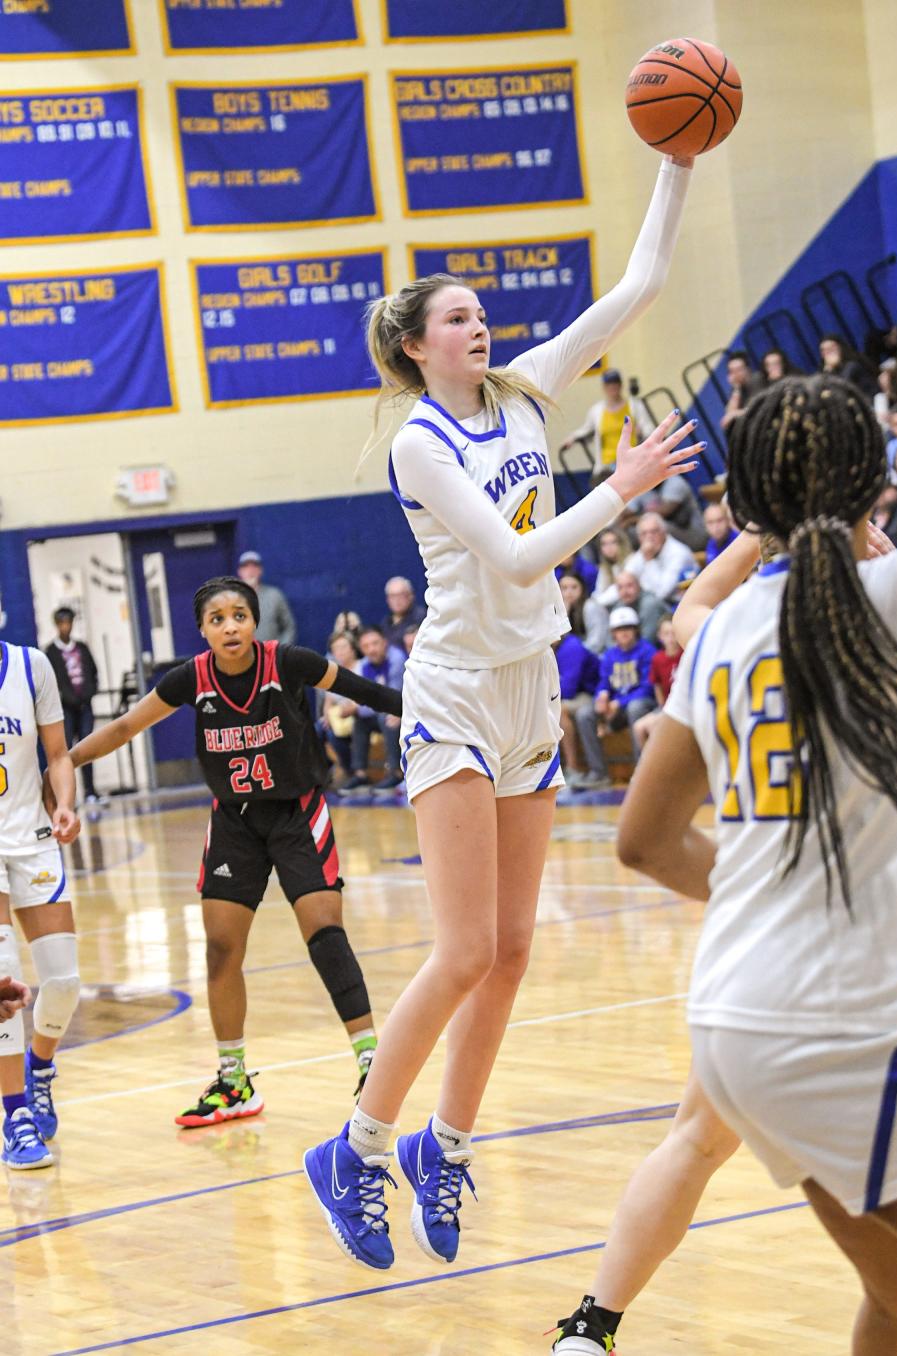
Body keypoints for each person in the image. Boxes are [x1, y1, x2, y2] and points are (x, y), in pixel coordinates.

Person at [302, 152, 700, 1273]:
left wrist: (675, 161)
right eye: (461, 318)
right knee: (465, 946)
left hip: (533, 692)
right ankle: (357, 1146)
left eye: (483, 316)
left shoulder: (527, 390)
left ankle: (447, 1144)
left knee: (515, 951)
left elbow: (643, 282)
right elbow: (521, 555)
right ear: (419, 344)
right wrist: (618, 491)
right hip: (458, 693)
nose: (481, 327)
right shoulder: (420, 444)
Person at [551, 373, 897, 1355]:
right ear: (871, 484)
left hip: (735, 1021)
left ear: (746, 506)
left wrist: (772, 884)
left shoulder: (717, 632)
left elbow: (643, 840)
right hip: (843, 1025)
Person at [62, 577, 401, 1123]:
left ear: (254, 620)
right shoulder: (190, 679)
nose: (230, 626)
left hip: (296, 813)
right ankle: (234, 1081)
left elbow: (361, 691)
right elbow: (125, 726)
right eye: (217, 618)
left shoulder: (289, 662)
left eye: (239, 615)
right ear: (203, 630)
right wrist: (61, 762)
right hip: (236, 823)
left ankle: (371, 1060)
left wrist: (423, 713)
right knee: (220, 948)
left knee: (323, 930)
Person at [0, 641, 81, 1169]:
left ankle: (40, 1067)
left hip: (32, 838)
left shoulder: (31, 666)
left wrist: (67, 804)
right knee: (2, 981)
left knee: (63, 983)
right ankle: (15, 1116)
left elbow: (57, 754)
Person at [574, 606, 656, 786]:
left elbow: (648, 687)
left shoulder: (647, 651)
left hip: (640, 704)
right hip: (615, 706)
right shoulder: (610, 655)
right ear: (613, 633)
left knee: (636, 708)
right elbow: (604, 681)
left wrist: (619, 703)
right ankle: (599, 772)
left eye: (628, 628)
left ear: (636, 630)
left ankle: (641, 771)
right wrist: (602, 696)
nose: (624, 633)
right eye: (619, 629)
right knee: (584, 714)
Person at [340, 626, 406, 794]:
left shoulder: (397, 659)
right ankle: (360, 774)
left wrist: (358, 708)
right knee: (360, 722)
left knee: (388, 717)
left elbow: (394, 700)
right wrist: (356, 708)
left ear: (385, 643)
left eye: (375, 643)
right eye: (366, 646)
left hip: (404, 712)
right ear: (361, 649)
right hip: (379, 712)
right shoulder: (363, 666)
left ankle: (396, 772)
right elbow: (363, 699)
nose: (372, 649)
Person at [558, 368, 655, 482]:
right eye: (609, 383)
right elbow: (586, 429)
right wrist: (572, 438)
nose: (612, 386)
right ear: (604, 387)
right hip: (607, 468)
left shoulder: (634, 405)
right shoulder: (596, 411)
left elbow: (649, 429)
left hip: (634, 461)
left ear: (621, 385)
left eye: (615, 383)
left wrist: (642, 433)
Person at [45, 607, 100, 804]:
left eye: (69, 622)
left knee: (87, 748)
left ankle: (91, 792)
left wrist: (89, 693)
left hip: (85, 707)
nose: (66, 627)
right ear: (57, 625)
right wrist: (65, 698)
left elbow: (93, 672)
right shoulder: (50, 652)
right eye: (62, 623)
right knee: (64, 752)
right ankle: (67, 796)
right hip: (65, 709)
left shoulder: (82, 648)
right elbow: (51, 682)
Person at [624, 512, 697, 636]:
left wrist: (649, 560)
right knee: (622, 603)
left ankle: (646, 649)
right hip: (652, 601)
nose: (649, 537)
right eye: (644, 534)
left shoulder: (679, 553)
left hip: (676, 605)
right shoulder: (645, 552)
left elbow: (662, 593)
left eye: (654, 532)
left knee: (649, 604)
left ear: (664, 532)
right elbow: (625, 577)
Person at [553, 631, 600, 790]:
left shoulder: (571, 647)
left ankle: (573, 769)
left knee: (559, 710)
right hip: (572, 695)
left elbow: (569, 689)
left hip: (590, 695)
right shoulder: (551, 648)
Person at [629, 615, 683, 754]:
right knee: (639, 727)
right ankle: (645, 765)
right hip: (665, 705)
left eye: (674, 633)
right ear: (660, 636)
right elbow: (657, 685)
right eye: (666, 634)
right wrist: (662, 706)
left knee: (654, 727)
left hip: (682, 705)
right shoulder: (658, 658)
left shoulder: (686, 654)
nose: (670, 638)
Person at [626, 471, 707, 552]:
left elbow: (664, 511)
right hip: (673, 536)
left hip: (693, 534)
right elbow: (625, 512)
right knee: (631, 531)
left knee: (654, 527)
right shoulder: (644, 487)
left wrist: (631, 521)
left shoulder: (675, 482)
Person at [320, 631, 362, 778]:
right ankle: (323, 771)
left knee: (333, 735)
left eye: (343, 647)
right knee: (316, 730)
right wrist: (326, 715)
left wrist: (352, 708)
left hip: (358, 713)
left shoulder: (362, 667)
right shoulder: (332, 670)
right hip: (338, 716)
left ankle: (350, 771)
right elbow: (328, 699)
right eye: (336, 648)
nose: (340, 651)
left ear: (353, 648)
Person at [236, 551, 297, 645]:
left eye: (254, 567)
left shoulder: (274, 595)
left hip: (272, 657)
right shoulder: (231, 600)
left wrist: (280, 651)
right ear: (240, 572)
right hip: (242, 657)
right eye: (246, 567)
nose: (250, 571)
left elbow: (289, 627)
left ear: (260, 571)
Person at [559, 571, 608, 656]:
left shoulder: (590, 607)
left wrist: (576, 654)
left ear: (582, 589)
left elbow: (597, 642)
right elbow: (559, 642)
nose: (569, 592)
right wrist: (565, 614)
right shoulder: (562, 609)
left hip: (599, 655)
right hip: (579, 655)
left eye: (574, 587)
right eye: (564, 588)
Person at [719, 350, 763, 430]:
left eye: (739, 370)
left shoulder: (757, 379)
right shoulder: (738, 388)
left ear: (747, 369)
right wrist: (736, 388)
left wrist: (734, 414)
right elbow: (728, 418)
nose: (736, 374)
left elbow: (756, 410)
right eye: (732, 371)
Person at [380, 577, 426, 651]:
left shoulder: (421, 617)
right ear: (387, 600)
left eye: (401, 595)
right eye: (392, 596)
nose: (397, 600)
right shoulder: (386, 622)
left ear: (411, 596)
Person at [591, 527, 633, 599]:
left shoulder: (631, 560)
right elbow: (598, 592)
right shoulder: (604, 568)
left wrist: (600, 600)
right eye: (604, 544)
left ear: (621, 543)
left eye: (613, 542)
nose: (609, 547)